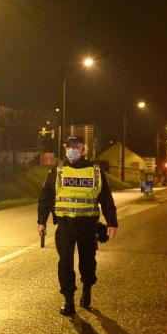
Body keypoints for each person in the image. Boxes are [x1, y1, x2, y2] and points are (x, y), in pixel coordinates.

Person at [37, 135, 117, 315]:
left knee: (88, 261)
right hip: (65, 225)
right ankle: (68, 300)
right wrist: (41, 221)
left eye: (76, 146)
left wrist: (112, 222)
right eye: (68, 146)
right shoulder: (57, 170)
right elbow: (46, 197)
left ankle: (87, 290)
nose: (71, 149)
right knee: (65, 262)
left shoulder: (95, 171)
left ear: (83, 149)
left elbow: (106, 198)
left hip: (88, 225)